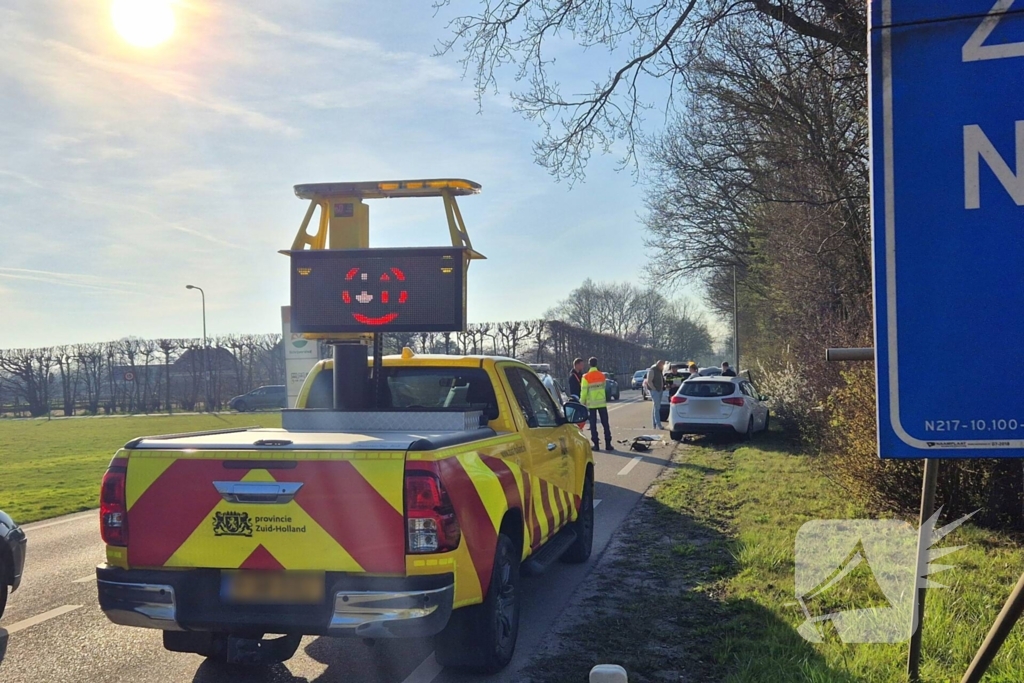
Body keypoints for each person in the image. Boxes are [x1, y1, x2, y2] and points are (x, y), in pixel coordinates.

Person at [580, 357, 612, 451]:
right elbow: (604, 386)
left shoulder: (586, 377)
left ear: (589, 364)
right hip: (602, 403)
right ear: (597, 364)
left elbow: (584, 391)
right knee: (605, 424)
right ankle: (608, 444)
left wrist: (582, 402)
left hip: (592, 404)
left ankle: (596, 444)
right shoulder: (602, 375)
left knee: (593, 425)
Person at [648, 360, 666, 430]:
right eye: (662, 365)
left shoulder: (659, 371)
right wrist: (654, 388)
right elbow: (649, 381)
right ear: (659, 364)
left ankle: (654, 424)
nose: (663, 367)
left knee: (655, 407)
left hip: (660, 390)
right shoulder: (652, 370)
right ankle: (659, 424)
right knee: (657, 408)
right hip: (655, 391)